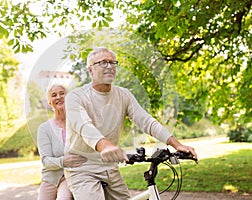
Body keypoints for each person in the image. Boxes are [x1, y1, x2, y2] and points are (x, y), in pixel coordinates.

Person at [64, 47, 198, 200]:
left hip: (109, 167)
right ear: (90, 70)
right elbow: (83, 126)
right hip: (81, 168)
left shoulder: (123, 95)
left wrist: (177, 144)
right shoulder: (75, 97)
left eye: (112, 62)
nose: (109, 66)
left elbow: (147, 121)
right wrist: (105, 146)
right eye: (103, 63)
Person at [37, 84, 87, 200]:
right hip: (50, 178)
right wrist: (64, 161)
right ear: (50, 102)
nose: (58, 97)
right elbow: (46, 160)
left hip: (71, 176)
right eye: (54, 95)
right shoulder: (44, 128)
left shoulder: (78, 123)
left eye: (62, 93)